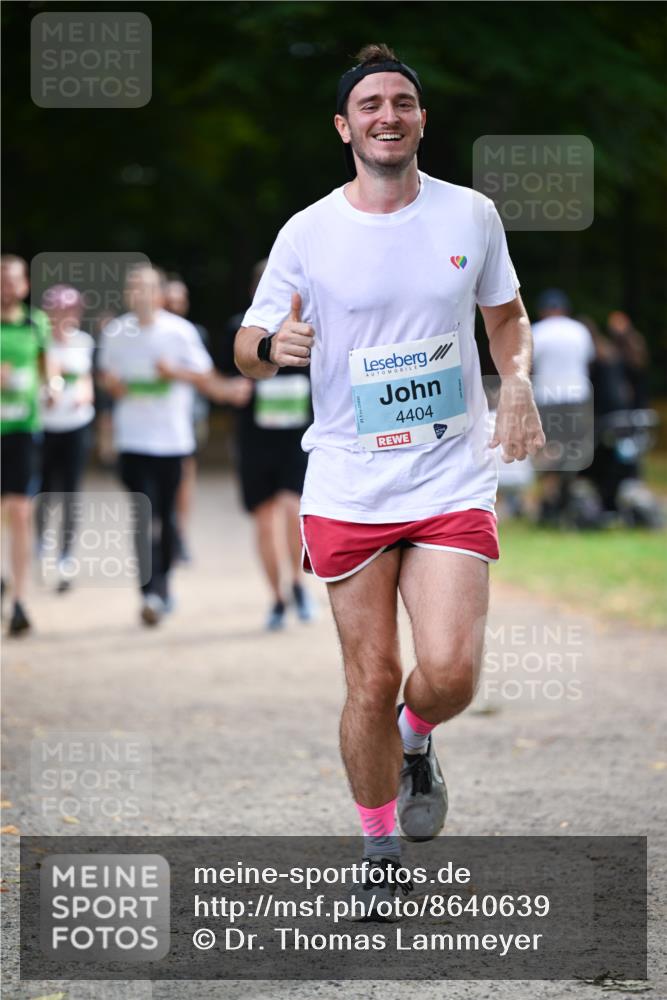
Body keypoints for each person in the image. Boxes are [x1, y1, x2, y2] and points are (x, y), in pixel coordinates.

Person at [234, 44, 544, 913]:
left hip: (449, 473)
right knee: (368, 677)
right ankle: (376, 851)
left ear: (419, 119)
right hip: (348, 478)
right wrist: (269, 349)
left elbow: (507, 318)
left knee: (447, 675)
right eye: (369, 104)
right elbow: (248, 346)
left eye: (401, 102)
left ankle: (418, 738)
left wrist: (514, 381)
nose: (387, 115)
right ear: (344, 126)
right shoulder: (307, 231)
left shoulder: (470, 215)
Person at [97, 265, 216, 626]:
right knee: (144, 517)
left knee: (166, 519)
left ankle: (163, 585)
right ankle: (149, 592)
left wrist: (173, 373)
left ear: (160, 294)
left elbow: (205, 375)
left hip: (172, 441)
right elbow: (106, 376)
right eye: (133, 287)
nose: (140, 294)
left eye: (147, 287)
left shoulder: (179, 332)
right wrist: (113, 386)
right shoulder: (116, 333)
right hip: (132, 441)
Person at [222, 260, 316, 631]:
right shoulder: (239, 330)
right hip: (255, 441)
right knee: (263, 522)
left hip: (297, 439)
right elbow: (223, 379)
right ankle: (276, 598)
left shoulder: (311, 327)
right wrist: (231, 389)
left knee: (293, 511)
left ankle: (297, 584)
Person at [0, 255, 53, 635]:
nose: (7, 287)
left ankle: (19, 600)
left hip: (23, 429)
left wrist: (51, 386)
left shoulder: (37, 324)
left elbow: (44, 366)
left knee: (20, 512)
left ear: (24, 286)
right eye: (1, 281)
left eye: (12, 281)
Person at [35, 285, 95, 592]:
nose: (66, 317)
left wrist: (85, 395)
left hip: (76, 425)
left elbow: (85, 378)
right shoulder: (41, 344)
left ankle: (66, 554)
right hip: (45, 426)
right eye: (59, 311)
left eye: (71, 311)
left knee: (71, 492)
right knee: (44, 490)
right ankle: (39, 545)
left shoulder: (83, 342)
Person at [530, 289, 595, 524]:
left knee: (548, 450)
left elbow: (528, 366)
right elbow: (589, 359)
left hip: (548, 399)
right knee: (575, 449)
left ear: (543, 310)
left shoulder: (537, 331)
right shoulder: (579, 330)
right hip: (577, 398)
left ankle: (549, 503)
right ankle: (568, 500)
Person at [164, 277, 211, 563]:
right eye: (170, 299)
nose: (175, 305)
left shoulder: (195, 333)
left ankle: (179, 532)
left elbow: (205, 375)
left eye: (180, 300)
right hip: (159, 416)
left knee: (184, 473)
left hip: (190, 414)